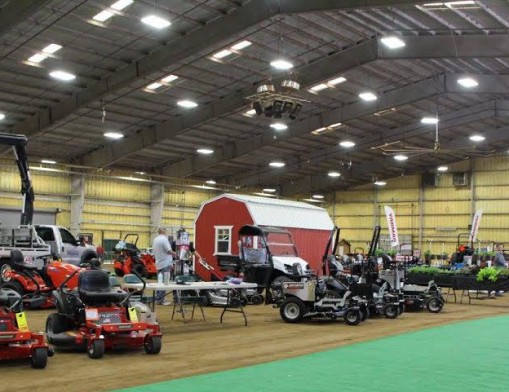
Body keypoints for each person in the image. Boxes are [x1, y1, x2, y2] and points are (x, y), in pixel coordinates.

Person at [152, 226, 176, 305]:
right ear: (164, 231)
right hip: (165, 263)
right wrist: (177, 254)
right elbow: (169, 250)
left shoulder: (155, 239)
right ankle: (161, 300)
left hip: (159, 263)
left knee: (159, 282)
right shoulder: (164, 239)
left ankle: (158, 298)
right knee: (165, 282)